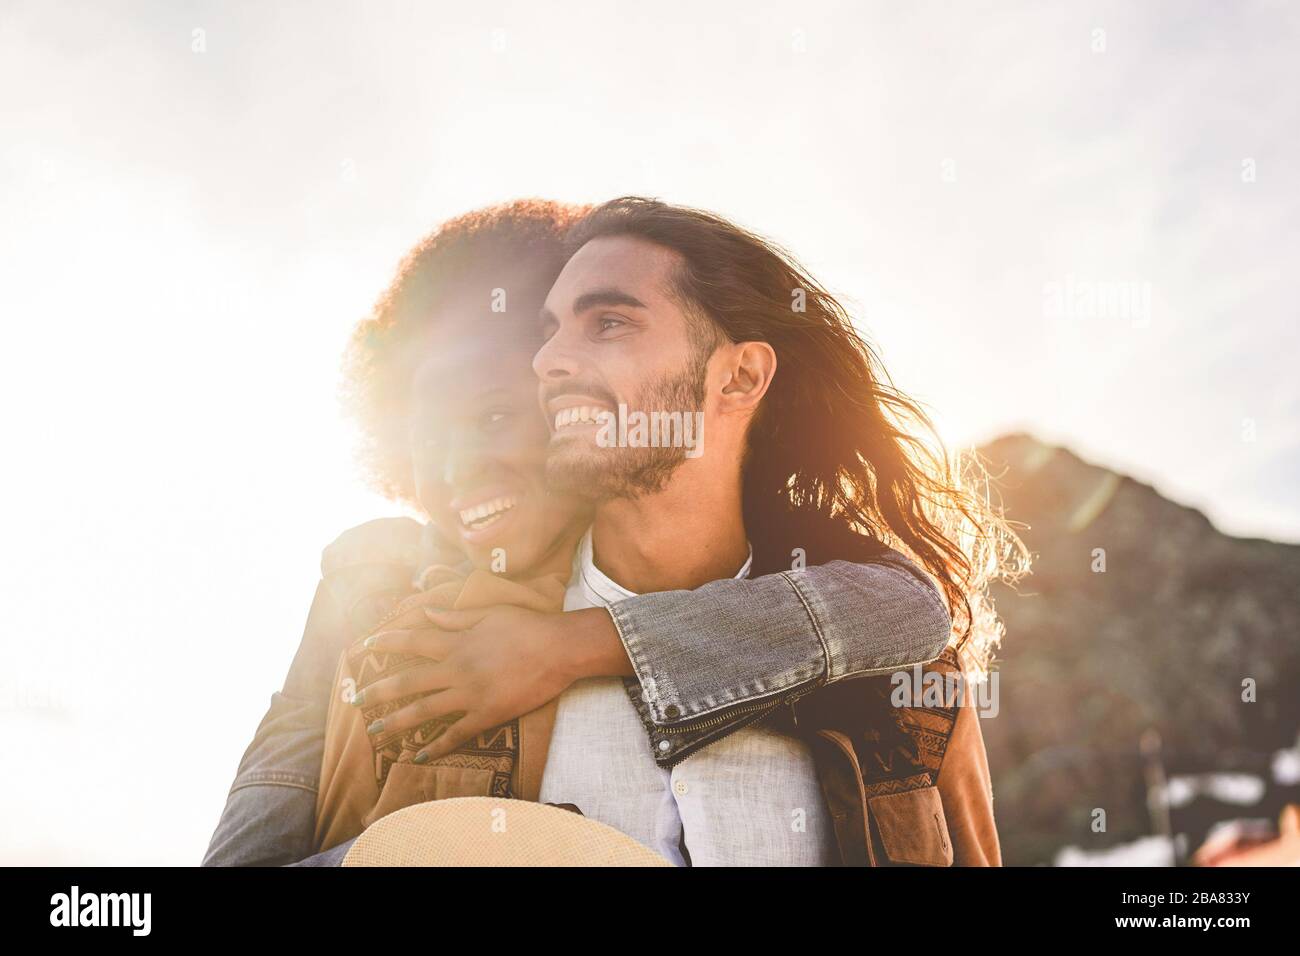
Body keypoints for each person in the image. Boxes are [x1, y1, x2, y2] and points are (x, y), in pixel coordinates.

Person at [202, 200, 960, 866]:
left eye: (608, 325)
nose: (555, 362)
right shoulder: (406, 616)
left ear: (739, 378)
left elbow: (907, 611)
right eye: (550, 337)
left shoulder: (884, 665)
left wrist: (567, 646)